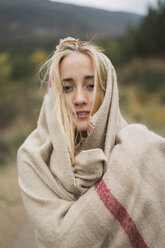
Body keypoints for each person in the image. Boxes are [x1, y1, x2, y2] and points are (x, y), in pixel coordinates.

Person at [17, 37, 165, 248]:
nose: (79, 98)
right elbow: (61, 240)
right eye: (67, 88)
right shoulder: (33, 157)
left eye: (91, 85)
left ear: (107, 91)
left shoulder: (141, 148)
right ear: (56, 95)